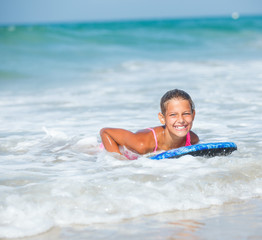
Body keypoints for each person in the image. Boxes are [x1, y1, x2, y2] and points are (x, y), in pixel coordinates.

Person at [100, 89, 199, 159]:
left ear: (193, 115)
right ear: (162, 118)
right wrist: (119, 161)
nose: (181, 120)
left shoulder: (193, 139)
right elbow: (105, 132)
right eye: (173, 115)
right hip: (103, 149)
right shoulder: (142, 145)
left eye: (186, 114)